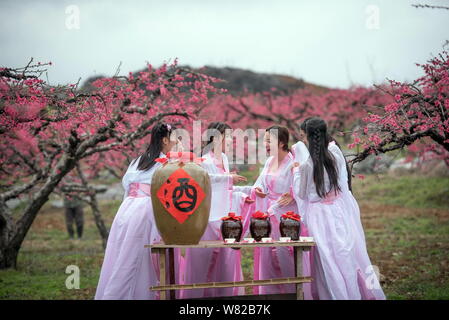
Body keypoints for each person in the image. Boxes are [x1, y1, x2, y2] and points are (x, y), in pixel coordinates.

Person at [292, 117, 385, 300]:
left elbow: (301, 194)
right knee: (344, 253)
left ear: (309, 137)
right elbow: (342, 183)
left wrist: (295, 173)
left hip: (318, 216)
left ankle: (333, 294)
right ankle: (352, 293)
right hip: (337, 211)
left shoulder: (306, 166)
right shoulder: (335, 154)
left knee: (326, 259)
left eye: (304, 137)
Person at [95, 122, 183, 300]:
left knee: (123, 254)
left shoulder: (138, 160)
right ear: (165, 140)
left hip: (127, 208)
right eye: (175, 139)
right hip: (145, 210)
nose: (177, 142)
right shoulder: (166, 163)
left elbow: (127, 185)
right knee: (136, 258)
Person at [181, 122, 252, 299]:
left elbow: (226, 189)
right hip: (207, 216)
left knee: (225, 263)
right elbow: (201, 179)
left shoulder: (225, 159)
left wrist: (246, 193)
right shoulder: (202, 158)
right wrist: (228, 177)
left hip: (224, 217)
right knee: (202, 261)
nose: (230, 140)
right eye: (227, 136)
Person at [241, 125, 312, 296]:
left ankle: (293, 293)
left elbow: (302, 185)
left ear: (281, 142)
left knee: (285, 255)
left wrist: (293, 194)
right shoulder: (269, 161)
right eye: (264, 140)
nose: (265, 144)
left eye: (268, 140)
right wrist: (258, 189)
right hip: (269, 214)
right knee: (268, 255)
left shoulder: (292, 162)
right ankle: (271, 293)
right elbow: (261, 182)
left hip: (287, 215)